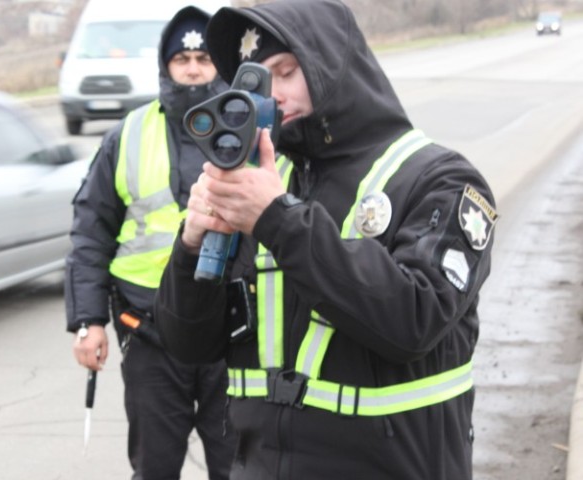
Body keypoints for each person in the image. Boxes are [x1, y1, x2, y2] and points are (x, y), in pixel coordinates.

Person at [154, 1, 498, 479]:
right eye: (257, 82)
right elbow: (189, 344)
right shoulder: (266, 181)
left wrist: (277, 219)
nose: (273, 95)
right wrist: (192, 248)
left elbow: (414, 320)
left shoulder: (440, 179)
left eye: (286, 72)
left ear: (330, 66)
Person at [65, 5, 235, 479]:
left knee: (239, 468)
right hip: (149, 334)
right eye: (182, 59)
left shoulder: (246, 131)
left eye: (204, 58)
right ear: (166, 66)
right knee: (155, 467)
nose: (194, 69)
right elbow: (91, 231)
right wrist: (88, 321)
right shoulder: (129, 134)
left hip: (230, 336)